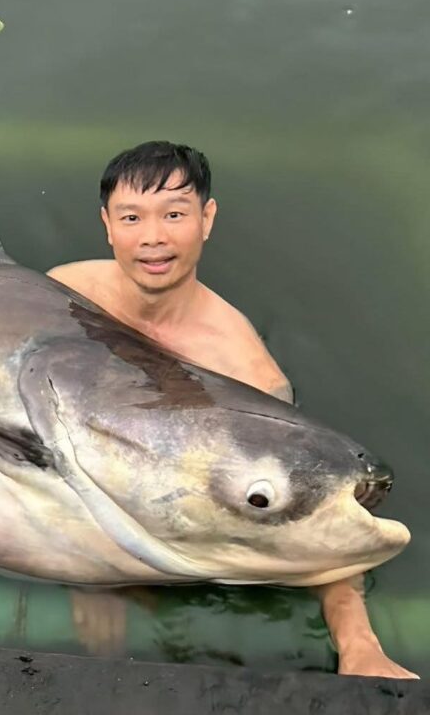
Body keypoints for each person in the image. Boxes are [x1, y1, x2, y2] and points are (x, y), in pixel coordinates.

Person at [47, 141, 417, 679]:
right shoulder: (67, 291)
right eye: (132, 217)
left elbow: (310, 507)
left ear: (207, 219)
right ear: (107, 224)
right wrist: (90, 571)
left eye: (175, 214)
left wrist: (357, 643)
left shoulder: (245, 371)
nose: (153, 238)